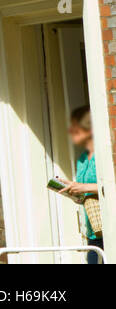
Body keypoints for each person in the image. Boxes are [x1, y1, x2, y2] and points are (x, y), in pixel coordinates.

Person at [59, 106, 103, 264]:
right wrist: (74, 192)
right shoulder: (82, 159)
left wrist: (85, 187)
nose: (70, 131)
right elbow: (86, 193)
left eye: (75, 127)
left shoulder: (105, 154)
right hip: (94, 232)